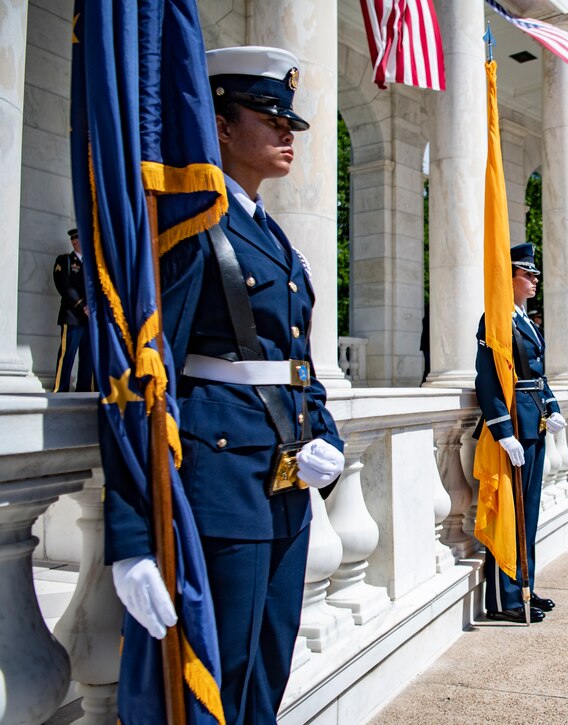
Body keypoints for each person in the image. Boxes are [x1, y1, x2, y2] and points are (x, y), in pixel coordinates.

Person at [104, 47, 345, 724]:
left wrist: (325, 434)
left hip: (287, 483)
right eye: (269, 117)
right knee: (222, 671)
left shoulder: (274, 236)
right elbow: (141, 377)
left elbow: (297, 361)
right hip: (222, 481)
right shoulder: (193, 225)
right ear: (220, 125)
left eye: (289, 122)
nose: (286, 134)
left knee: (269, 662)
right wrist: (130, 533)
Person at [475, 242, 564, 623]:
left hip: (535, 421)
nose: (535, 280)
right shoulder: (495, 319)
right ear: (509, 277)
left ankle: (525, 584)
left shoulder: (523, 320)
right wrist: (503, 431)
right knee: (509, 512)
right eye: (528, 274)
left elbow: (537, 374)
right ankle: (504, 597)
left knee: (527, 511)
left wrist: (554, 407)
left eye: (534, 275)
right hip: (515, 425)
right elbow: (489, 377)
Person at [52, 227, 93, 392]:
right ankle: (60, 389)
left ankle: (83, 390)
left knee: (87, 357)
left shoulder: (91, 265)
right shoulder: (64, 261)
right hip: (72, 317)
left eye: (79, 239)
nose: (77, 242)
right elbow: (64, 286)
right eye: (75, 240)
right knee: (67, 354)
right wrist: (82, 305)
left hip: (89, 318)